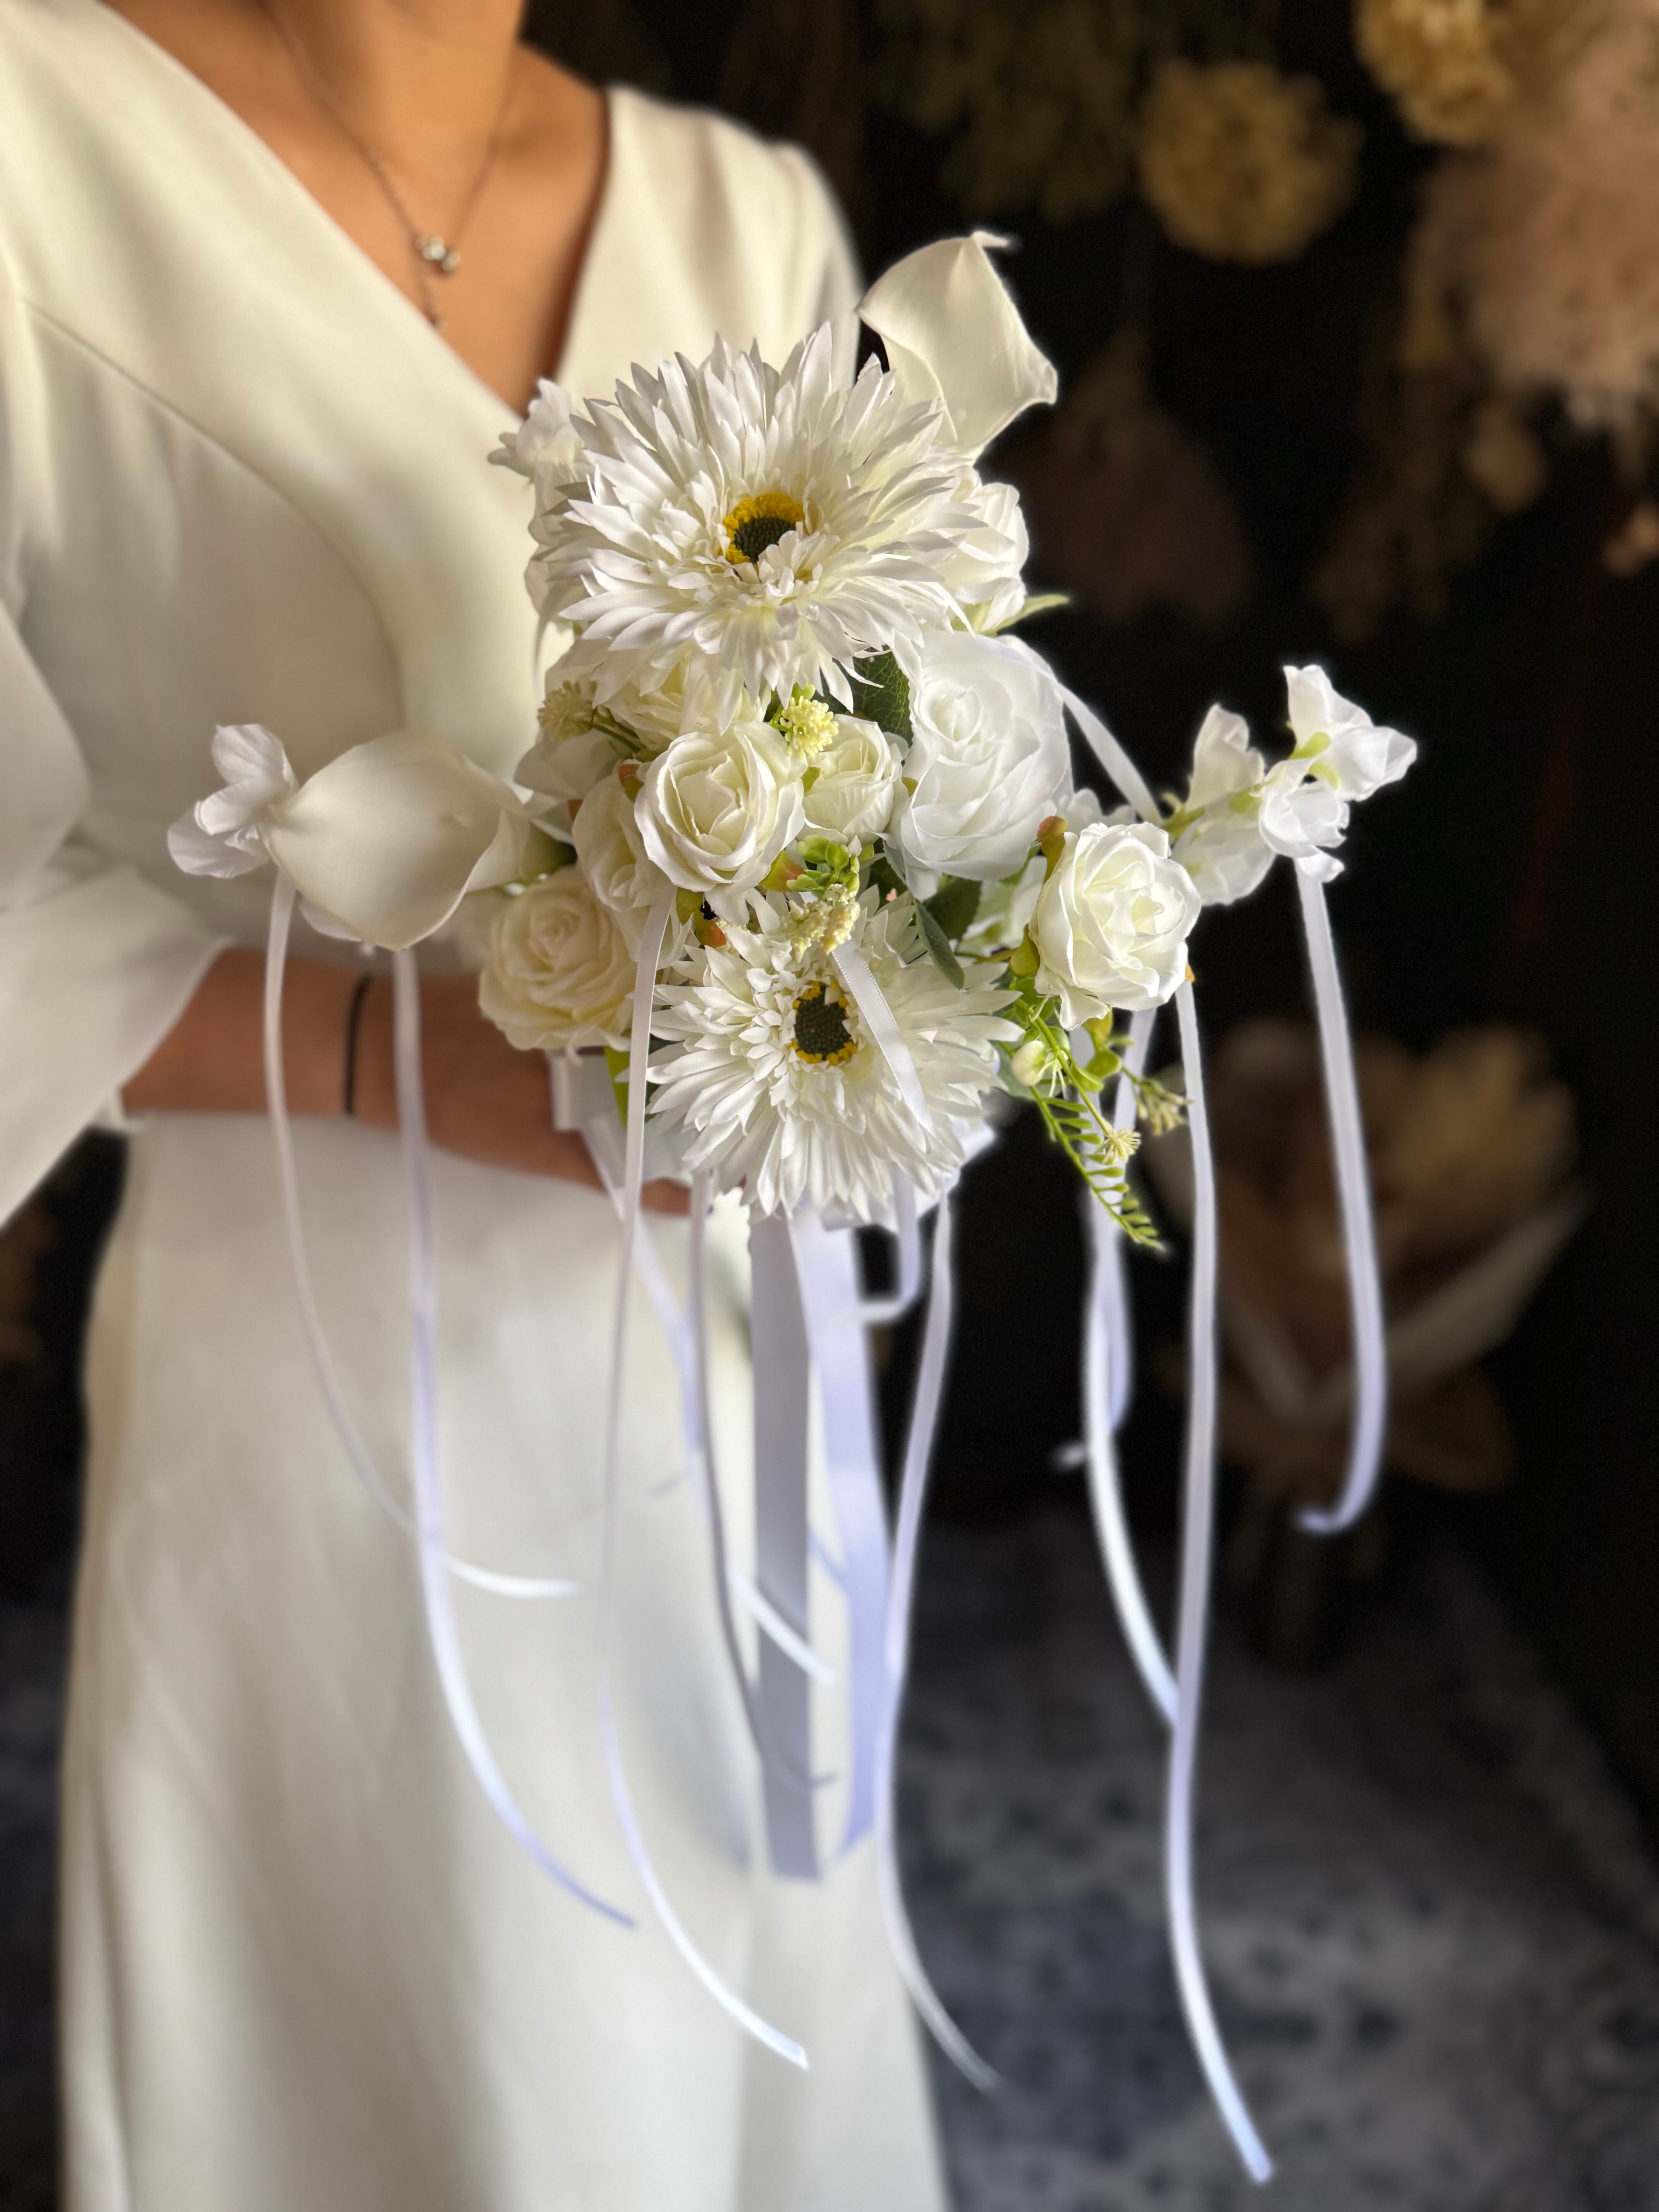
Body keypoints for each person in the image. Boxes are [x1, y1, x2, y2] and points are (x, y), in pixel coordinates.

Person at [0, 3, 948, 2205]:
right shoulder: (33, 141)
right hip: (314, 1366)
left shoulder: (742, 213)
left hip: (713, 1318)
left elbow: (885, 721)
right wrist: (387, 1059)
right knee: (434, 2047)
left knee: (722, 1992)